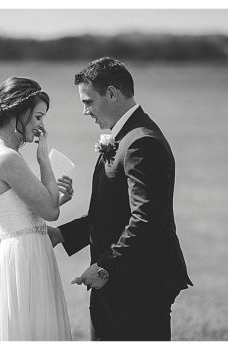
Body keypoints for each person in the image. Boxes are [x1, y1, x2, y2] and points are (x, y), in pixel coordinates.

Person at [48, 57, 192, 340]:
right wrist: (61, 235)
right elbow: (112, 212)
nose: (85, 111)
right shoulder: (126, 135)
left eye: (88, 102)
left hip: (138, 283)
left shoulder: (141, 142)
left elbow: (146, 220)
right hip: (125, 279)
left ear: (112, 93)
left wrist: (104, 267)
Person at [0, 77, 74, 340]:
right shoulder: (6, 157)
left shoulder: (4, 153)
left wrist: (56, 198)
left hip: (30, 253)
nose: (42, 125)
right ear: (19, 113)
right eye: (38, 117)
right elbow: (50, 212)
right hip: (23, 259)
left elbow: (37, 208)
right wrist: (44, 159)